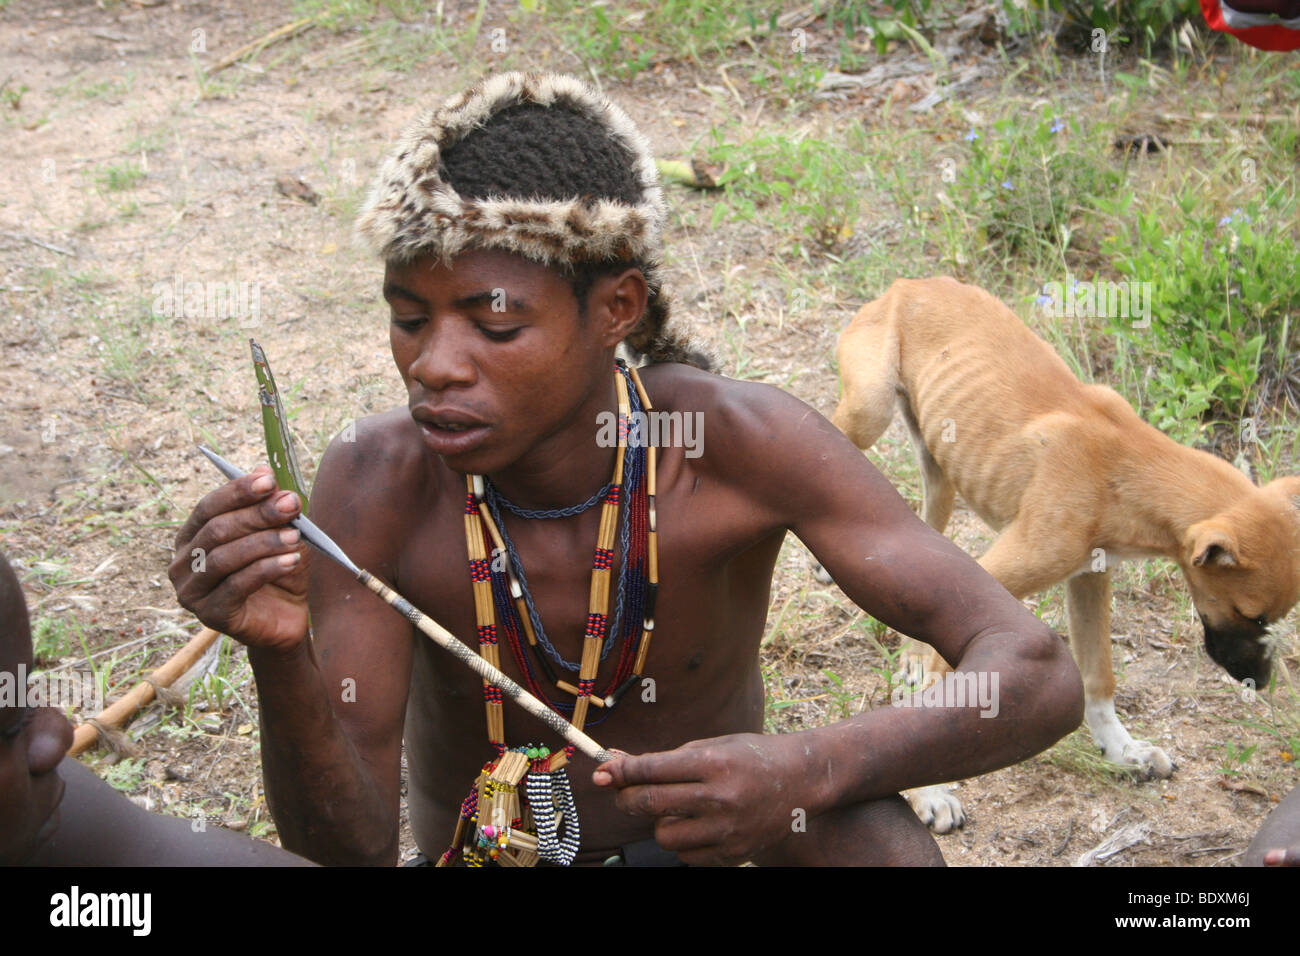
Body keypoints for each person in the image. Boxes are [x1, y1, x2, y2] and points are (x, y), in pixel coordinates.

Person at [169, 72, 1083, 866]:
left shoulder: (735, 443)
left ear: (616, 308)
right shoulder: (377, 483)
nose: (434, 365)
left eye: (494, 327)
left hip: (712, 848)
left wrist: (805, 766)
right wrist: (281, 656)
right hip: (491, 858)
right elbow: (349, 851)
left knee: (867, 841)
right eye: (410, 319)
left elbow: (1036, 672)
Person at [0, 550, 310, 866]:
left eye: (23, 693)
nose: (60, 732)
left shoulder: (47, 801)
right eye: (9, 727)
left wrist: (282, 656)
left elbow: (152, 852)